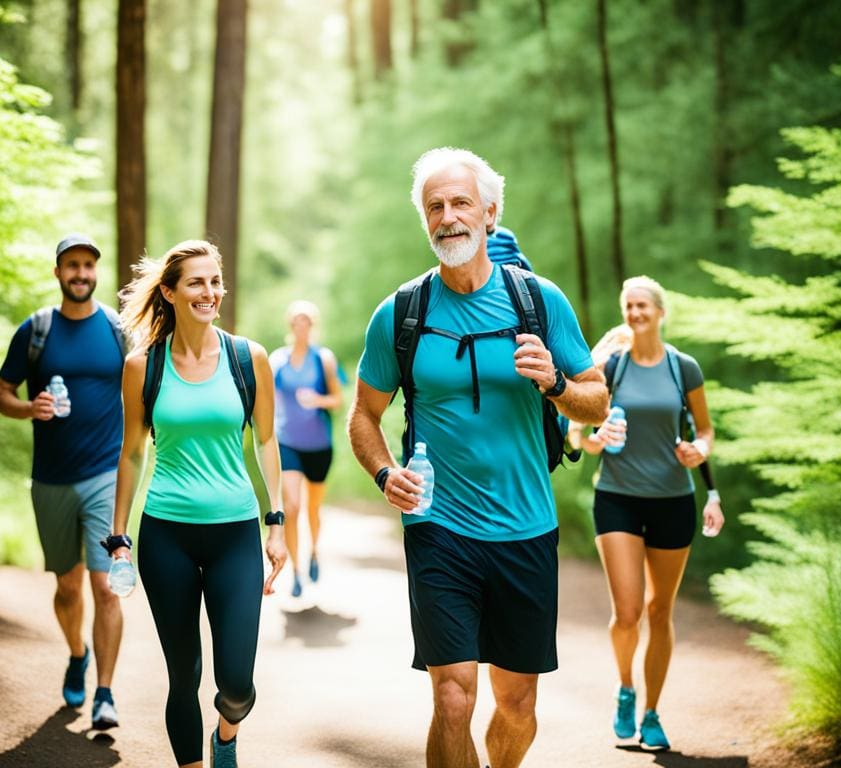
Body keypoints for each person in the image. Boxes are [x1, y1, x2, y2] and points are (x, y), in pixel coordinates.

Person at [348, 147, 609, 768]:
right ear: (426, 222)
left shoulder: (539, 303)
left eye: (461, 202)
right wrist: (386, 474)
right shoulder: (401, 314)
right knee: (453, 697)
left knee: (515, 705)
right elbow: (364, 414)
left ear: (490, 212)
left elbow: (597, 402)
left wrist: (556, 385)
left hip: (526, 526)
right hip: (439, 527)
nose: (448, 216)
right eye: (434, 206)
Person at [106, 240, 287, 768]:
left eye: (215, 281)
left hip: (235, 535)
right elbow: (132, 454)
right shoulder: (143, 366)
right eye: (196, 283)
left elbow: (267, 441)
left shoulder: (247, 358)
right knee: (182, 677)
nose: (210, 292)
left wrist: (275, 521)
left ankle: (225, 736)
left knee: (237, 684)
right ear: (169, 291)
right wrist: (120, 537)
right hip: (167, 536)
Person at [571, 276, 725, 752]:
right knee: (628, 611)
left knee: (660, 611)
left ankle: (652, 712)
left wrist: (698, 450)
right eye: (629, 306)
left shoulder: (684, 368)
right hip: (617, 495)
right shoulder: (611, 367)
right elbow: (577, 430)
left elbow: (705, 429)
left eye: (643, 305)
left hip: (673, 500)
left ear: (660, 311)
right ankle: (624, 689)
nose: (636, 312)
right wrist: (591, 440)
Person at [0, 234, 125, 730]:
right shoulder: (36, 330)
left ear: (97, 271)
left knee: (106, 588)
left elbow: (144, 389)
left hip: (106, 477)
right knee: (68, 587)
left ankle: (106, 693)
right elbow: (1, 393)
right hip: (49, 480)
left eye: (89, 265)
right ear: (57, 272)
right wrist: (30, 407)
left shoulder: (117, 330)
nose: (81, 273)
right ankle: (76, 653)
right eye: (72, 265)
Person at [269, 300, 343, 598]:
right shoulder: (278, 360)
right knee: (292, 507)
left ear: (312, 326)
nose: (302, 326)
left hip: (319, 445)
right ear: (290, 325)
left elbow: (338, 400)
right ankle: (296, 571)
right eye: (297, 321)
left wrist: (318, 399)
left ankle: (313, 552)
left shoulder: (323, 359)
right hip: (288, 442)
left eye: (307, 322)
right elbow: (268, 399)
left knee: (313, 508)